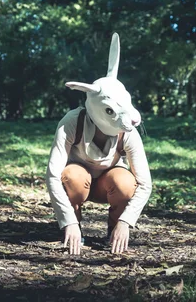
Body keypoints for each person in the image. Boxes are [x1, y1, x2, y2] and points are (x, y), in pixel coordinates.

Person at [46, 106, 152, 255]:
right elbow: (53, 175)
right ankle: (74, 232)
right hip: (78, 183)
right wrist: (68, 221)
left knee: (125, 183)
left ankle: (114, 233)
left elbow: (145, 184)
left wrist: (125, 221)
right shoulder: (72, 121)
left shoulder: (128, 131)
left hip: (109, 184)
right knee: (72, 176)